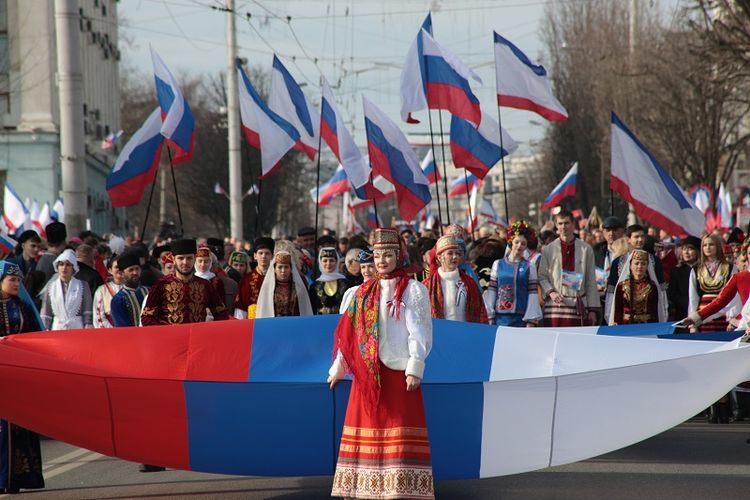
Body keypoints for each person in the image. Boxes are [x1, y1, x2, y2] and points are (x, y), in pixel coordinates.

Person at [328, 228, 434, 499]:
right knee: (369, 431)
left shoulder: (412, 290)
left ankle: (398, 489)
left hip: (398, 372)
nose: (382, 260)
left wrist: (415, 366)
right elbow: (351, 334)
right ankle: (366, 489)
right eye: (377, 255)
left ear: (399, 256)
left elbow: (419, 331)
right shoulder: (361, 291)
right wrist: (340, 366)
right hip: (367, 375)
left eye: (388, 254)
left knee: (396, 434)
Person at [0, 261, 45, 494]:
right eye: (11, 280)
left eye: (18, 280)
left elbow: (33, 338)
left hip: (17, 374)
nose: (16, 284)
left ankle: (20, 478)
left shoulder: (23, 307)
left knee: (20, 426)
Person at [141, 239, 229, 326]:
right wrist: (164, 333)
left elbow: (221, 313)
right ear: (173, 259)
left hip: (196, 338)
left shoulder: (205, 285)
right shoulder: (160, 285)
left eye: (189, 258)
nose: (185, 262)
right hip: (170, 338)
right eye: (181, 258)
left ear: (194, 258)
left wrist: (208, 331)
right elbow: (147, 317)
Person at [538, 210, 600, 326]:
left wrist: (592, 310)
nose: (563, 227)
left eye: (567, 223)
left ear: (573, 224)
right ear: (556, 225)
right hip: (555, 305)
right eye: (560, 223)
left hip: (578, 304)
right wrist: (551, 292)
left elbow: (591, 281)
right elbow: (542, 276)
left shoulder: (586, 249)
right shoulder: (548, 249)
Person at [484, 221, 543, 327]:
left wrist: (531, 320)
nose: (519, 246)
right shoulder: (498, 264)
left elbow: (532, 294)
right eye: (517, 242)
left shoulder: (530, 267)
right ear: (511, 242)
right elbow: (492, 291)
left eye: (523, 243)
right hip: (501, 318)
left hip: (521, 318)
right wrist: (489, 314)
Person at [425, 234, 487, 323]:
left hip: (466, 333)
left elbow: (481, 313)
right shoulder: (428, 285)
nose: (455, 257)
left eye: (457, 253)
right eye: (450, 253)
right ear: (439, 257)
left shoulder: (469, 283)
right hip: (440, 334)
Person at [688, 233, 737, 332]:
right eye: (705, 245)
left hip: (724, 313)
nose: (708, 248)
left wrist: (732, 317)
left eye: (711, 244)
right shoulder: (696, 269)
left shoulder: (730, 267)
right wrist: (693, 322)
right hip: (703, 314)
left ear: (718, 246)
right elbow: (693, 297)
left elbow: (734, 295)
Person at [609, 249, 667, 325]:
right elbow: (618, 311)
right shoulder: (622, 286)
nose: (640, 266)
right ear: (630, 266)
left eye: (643, 264)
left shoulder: (652, 286)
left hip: (647, 326)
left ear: (647, 266)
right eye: (636, 263)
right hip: (626, 326)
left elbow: (655, 311)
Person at [39, 249, 93, 330]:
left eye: (68, 265)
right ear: (57, 267)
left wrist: (87, 328)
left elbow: (87, 311)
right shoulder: (51, 287)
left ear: (73, 268)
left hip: (77, 329)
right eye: (61, 264)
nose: (64, 268)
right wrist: (45, 330)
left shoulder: (83, 285)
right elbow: (46, 314)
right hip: (57, 329)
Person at [255, 242, 312, 318]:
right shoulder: (268, 286)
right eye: (280, 267)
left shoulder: (298, 285)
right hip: (274, 325)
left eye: (286, 267)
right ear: (274, 269)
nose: (283, 270)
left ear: (291, 268)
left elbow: (304, 309)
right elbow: (263, 311)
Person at [234, 237, 274, 319]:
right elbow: (240, 309)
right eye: (260, 253)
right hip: (252, 324)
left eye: (267, 253)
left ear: (272, 256)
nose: (263, 256)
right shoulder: (246, 280)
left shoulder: (277, 278)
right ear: (255, 256)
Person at [110, 252, 149, 328]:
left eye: (137, 269)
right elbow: (123, 328)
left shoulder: (150, 292)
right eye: (131, 270)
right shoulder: (119, 300)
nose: (135, 272)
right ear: (121, 273)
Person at [667, 236, 700, 321]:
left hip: (701, 312)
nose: (686, 252)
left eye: (690, 249)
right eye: (684, 249)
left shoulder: (703, 270)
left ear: (698, 251)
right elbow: (672, 294)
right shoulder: (676, 271)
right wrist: (688, 304)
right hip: (682, 314)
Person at [309, 247, 350, 315]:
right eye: (325, 261)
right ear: (320, 262)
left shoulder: (346, 283)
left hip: (341, 321)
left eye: (331, 260)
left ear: (337, 262)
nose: (328, 264)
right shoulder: (314, 286)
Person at [194, 246, 227, 320]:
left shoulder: (216, 281)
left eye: (206, 261)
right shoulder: (191, 279)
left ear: (210, 263)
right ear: (195, 262)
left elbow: (221, 304)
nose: (202, 264)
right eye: (200, 261)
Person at [92, 256, 124, 328]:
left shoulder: (132, 288)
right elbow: (98, 316)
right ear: (110, 270)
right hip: (109, 331)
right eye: (116, 267)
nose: (119, 269)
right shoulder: (102, 290)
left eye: (122, 266)